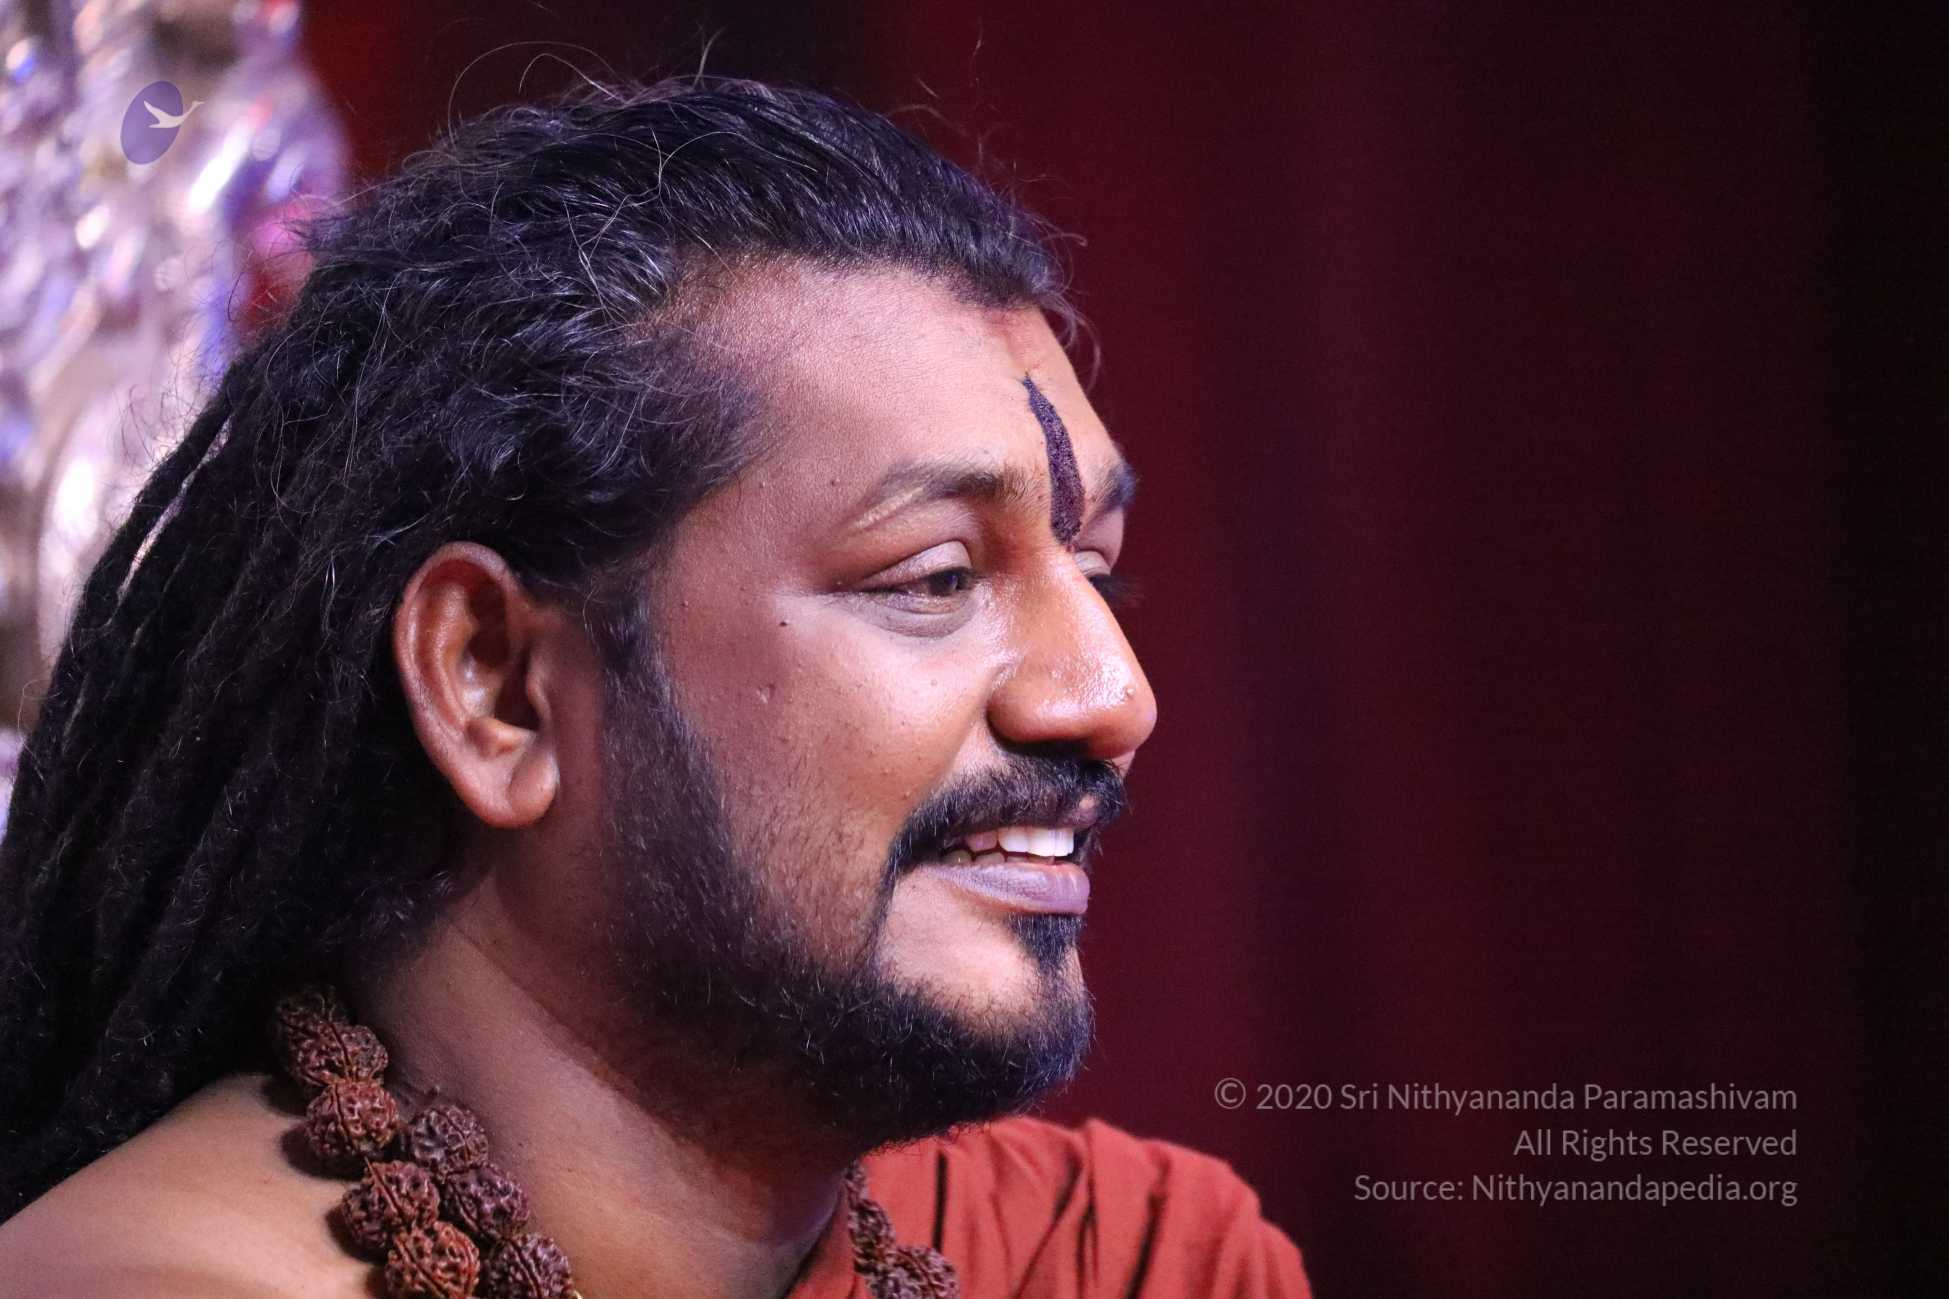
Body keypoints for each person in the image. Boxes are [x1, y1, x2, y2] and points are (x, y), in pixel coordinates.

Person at [0, 77, 1310, 1298]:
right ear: (496, 686)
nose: (1111, 698)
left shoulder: (1137, 1259)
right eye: (937, 577)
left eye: (1094, 571)